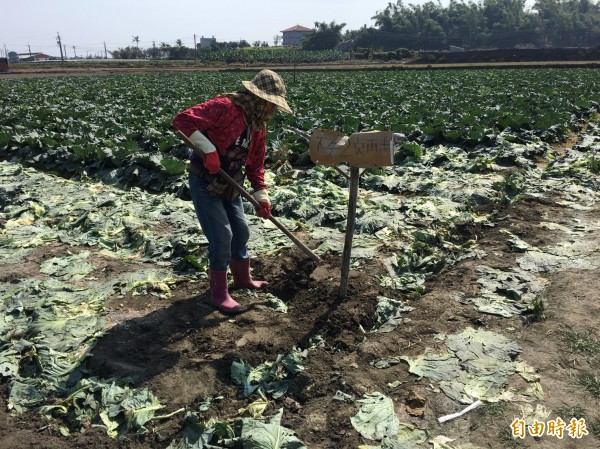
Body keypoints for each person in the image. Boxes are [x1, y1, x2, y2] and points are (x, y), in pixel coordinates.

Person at [172, 69, 292, 314]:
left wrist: (261, 195)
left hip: (231, 184)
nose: (272, 111)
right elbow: (183, 121)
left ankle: (242, 279)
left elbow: (255, 165)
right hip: (206, 182)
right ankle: (219, 293)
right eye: (270, 105)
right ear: (258, 99)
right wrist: (208, 150)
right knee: (222, 236)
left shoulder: (257, 127)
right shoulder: (225, 107)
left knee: (241, 230)